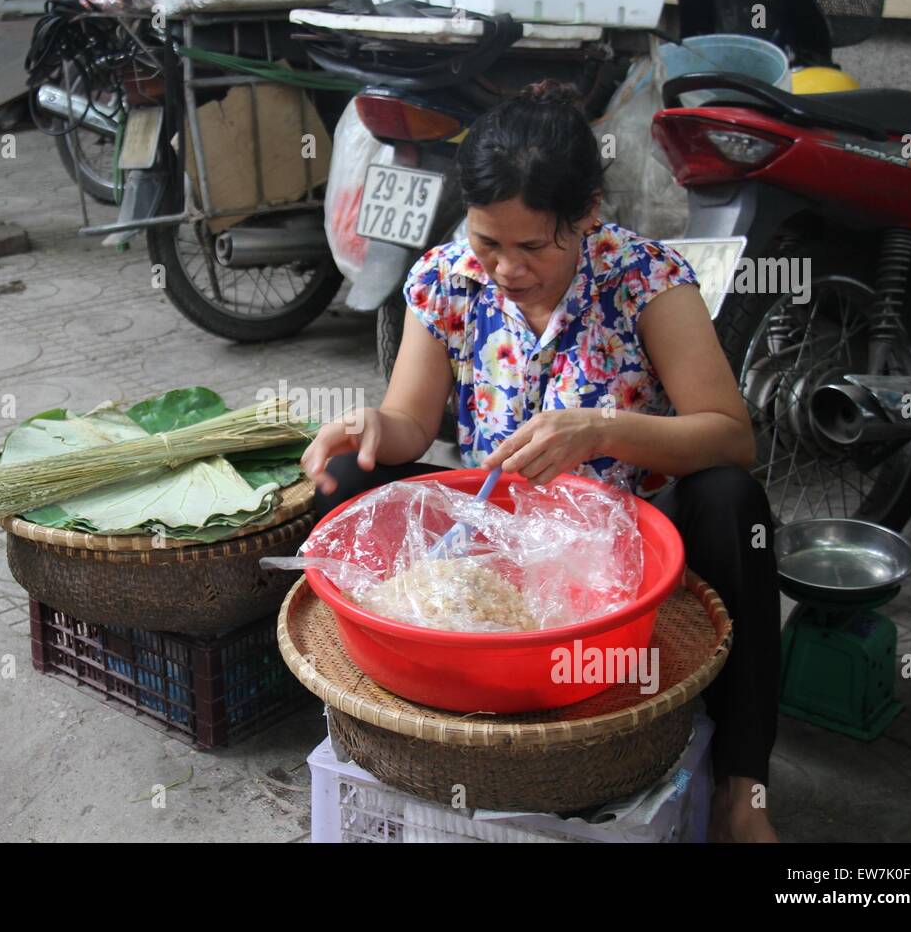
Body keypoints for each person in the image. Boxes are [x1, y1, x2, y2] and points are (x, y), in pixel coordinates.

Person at [301, 80, 781, 842]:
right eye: (488, 241)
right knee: (349, 477)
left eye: (531, 247)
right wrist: (367, 427)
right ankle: (399, 715)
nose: (504, 269)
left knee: (733, 503)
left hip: (629, 544)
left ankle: (741, 788)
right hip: (497, 540)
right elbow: (410, 423)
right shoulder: (447, 279)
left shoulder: (643, 280)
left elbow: (729, 435)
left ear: (587, 212)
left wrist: (600, 431)